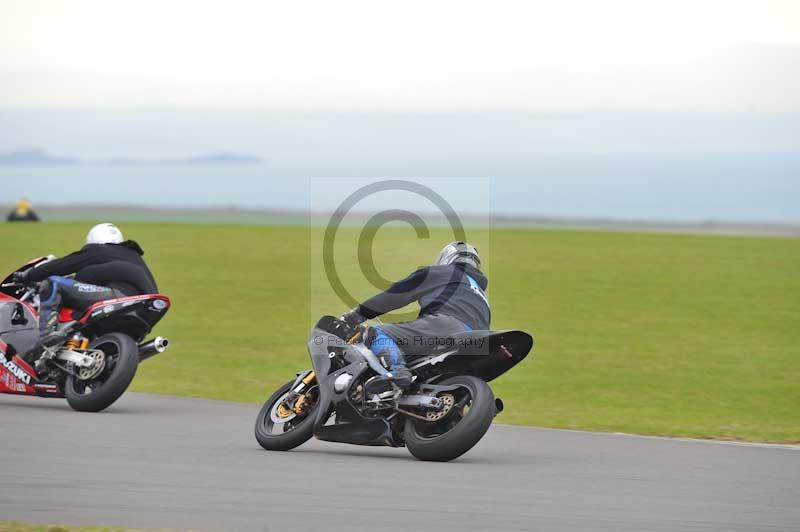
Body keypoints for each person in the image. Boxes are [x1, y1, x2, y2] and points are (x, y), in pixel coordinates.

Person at [340, 241, 490, 389]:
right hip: (479, 342)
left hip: (447, 328)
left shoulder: (444, 273)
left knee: (374, 333)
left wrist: (357, 315)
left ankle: (399, 371)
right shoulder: (481, 295)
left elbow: (397, 294)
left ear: (447, 257)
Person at [13, 223, 158, 360]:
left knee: (55, 283)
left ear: (94, 241)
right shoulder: (134, 257)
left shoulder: (100, 250)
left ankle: (45, 337)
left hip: (119, 296)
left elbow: (63, 265)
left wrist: (29, 275)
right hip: (145, 313)